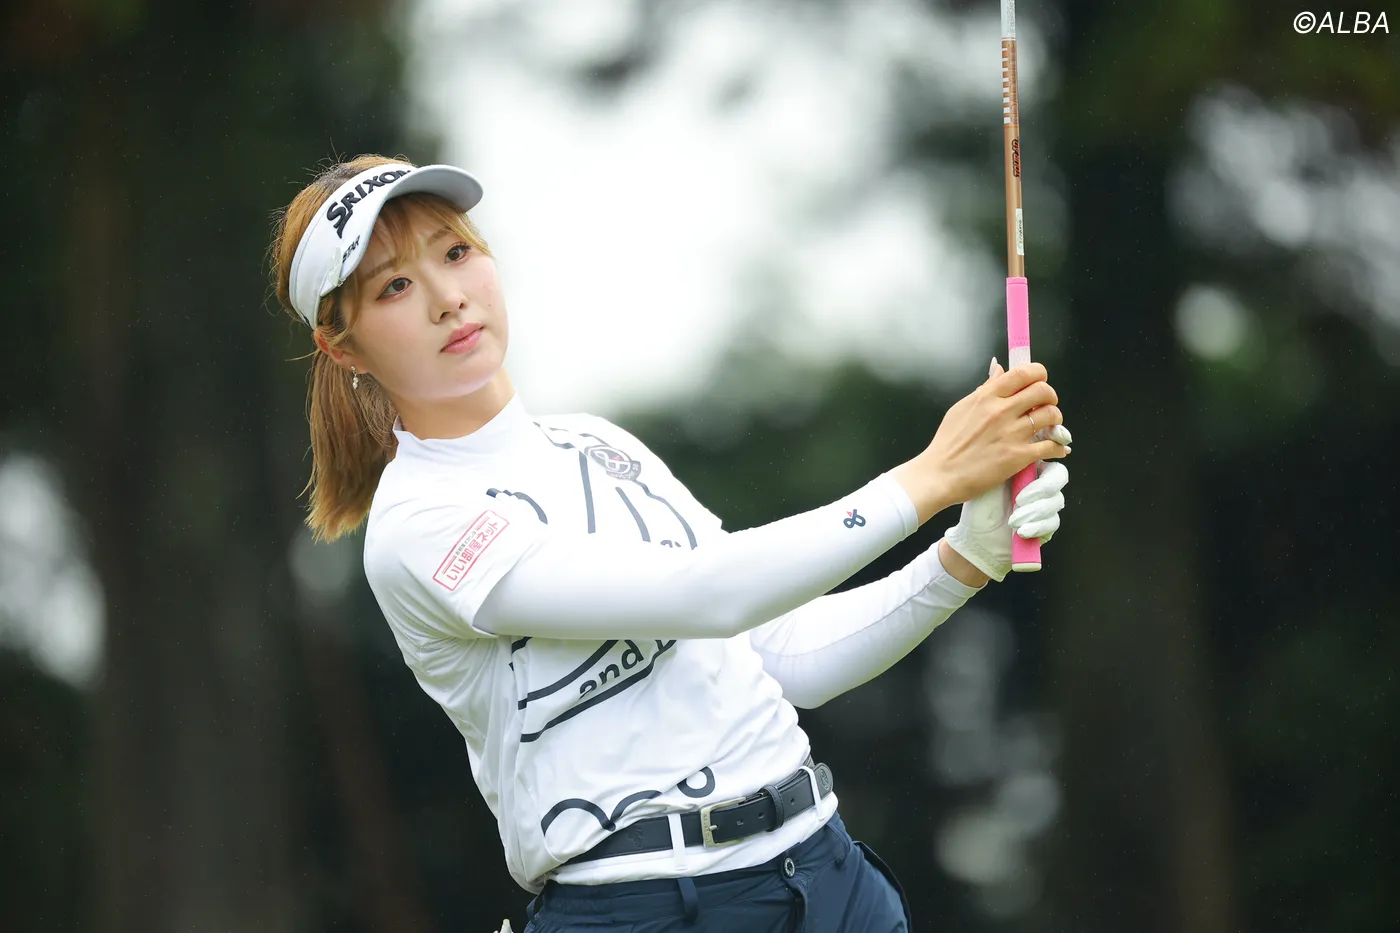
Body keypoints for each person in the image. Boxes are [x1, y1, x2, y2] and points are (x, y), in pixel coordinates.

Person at [269, 154, 1073, 932]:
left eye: (454, 252)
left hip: (827, 879)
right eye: (395, 286)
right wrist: (931, 477)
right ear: (344, 347)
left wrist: (965, 558)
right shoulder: (418, 522)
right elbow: (711, 595)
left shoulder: (596, 445)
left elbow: (781, 651)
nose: (448, 299)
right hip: (648, 908)